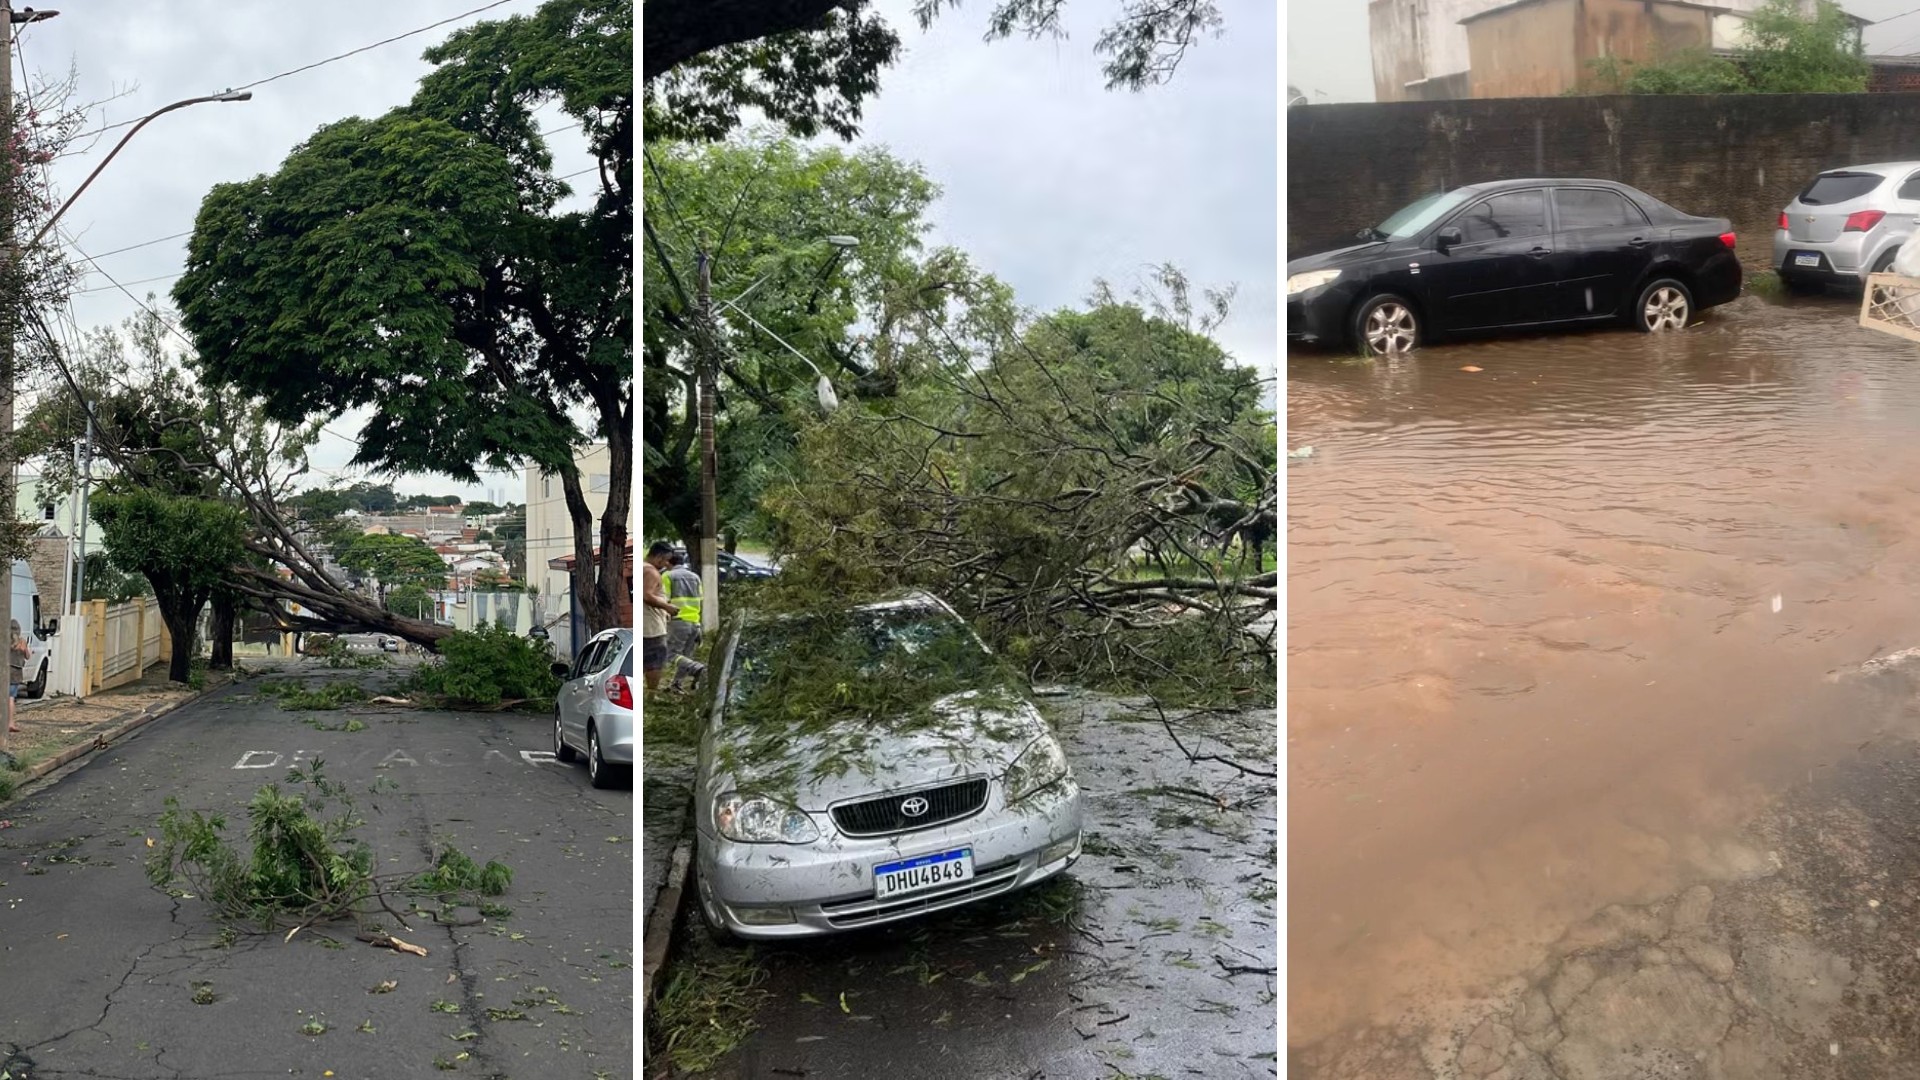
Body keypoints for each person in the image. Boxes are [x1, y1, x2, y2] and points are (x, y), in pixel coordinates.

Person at [664, 553, 707, 691]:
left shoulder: (668, 576)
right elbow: (700, 599)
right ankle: (677, 684)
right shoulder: (695, 577)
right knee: (685, 656)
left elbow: (664, 600)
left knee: (671, 654)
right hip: (695, 622)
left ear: (669, 563)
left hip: (678, 621)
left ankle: (699, 669)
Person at [641, 542, 678, 692]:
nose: (666, 564)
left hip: (645, 625)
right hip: (652, 628)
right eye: (665, 560)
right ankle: (651, 694)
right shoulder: (651, 572)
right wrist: (667, 607)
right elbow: (646, 595)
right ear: (658, 557)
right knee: (654, 662)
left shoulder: (641, 567)